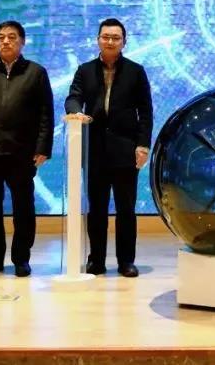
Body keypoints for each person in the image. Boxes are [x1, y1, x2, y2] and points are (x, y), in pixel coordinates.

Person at [0, 20, 54, 277]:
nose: (5, 41)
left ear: (22, 42)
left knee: (23, 208)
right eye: (1, 37)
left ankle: (21, 258)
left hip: (22, 152)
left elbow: (46, 113)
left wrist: (43, 147)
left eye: (12, 37)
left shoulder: (36, 72)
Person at [65, 18, 153, 278]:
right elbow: (73, 97)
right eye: (106, 37)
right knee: (97, 210)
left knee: (126, 210)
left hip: (126, 150)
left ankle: (126, 261)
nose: (110, 41)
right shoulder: (85, 70)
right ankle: (96, 260)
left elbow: (146, 112)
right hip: (94, 151)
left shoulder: (136, 71)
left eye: (116, 38)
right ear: (98, 40)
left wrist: (143, 145)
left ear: (124, 42)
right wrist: (75, 112)